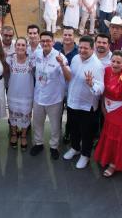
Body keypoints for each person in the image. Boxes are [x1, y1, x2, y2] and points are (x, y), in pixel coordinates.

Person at [63, 36, 105, 169]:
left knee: (87, 133)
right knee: (73, 129)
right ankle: (75, 148)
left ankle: (85, 155)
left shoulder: (98, 65)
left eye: (85, 48)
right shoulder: (75, 58)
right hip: (73, 102)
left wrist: (91, 83)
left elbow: (100, 88)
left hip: (87, 106)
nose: (82, 50)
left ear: (92, 49)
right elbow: (71, 77)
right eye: (80, 47)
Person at [93, 50, 122, 177]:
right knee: (107, 135)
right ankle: (106, 157)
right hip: (107, 108)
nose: (115, 64)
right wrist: (102, 106)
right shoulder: (106, 71)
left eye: (119, 62)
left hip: (120, 111)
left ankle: (114, 163)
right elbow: (101, 89)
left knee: (117, 138)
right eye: (113, 61)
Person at [30, 31, 70, 159]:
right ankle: (38, 143)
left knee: (55, 125)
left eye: (48, 41)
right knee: (37, 122)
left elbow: (69, 77)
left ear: (53, 42)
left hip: (54, 99)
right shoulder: (36, 54)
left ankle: (54, 146)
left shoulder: (60, 57)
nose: (45, 43)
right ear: (40, 42)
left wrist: (62, 64)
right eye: (43, 41)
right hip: (38, 97)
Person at [7, 37, 34, 150]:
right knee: (12, 115)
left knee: (25, 116)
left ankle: (23, 135)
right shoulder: (10, 59)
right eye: (18, 44)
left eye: (23, 45)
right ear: (15, 46)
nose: (20, 47)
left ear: (26, 47)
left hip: (27, 94)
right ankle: (14, 134)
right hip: (13, 93)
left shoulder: (32, 60)